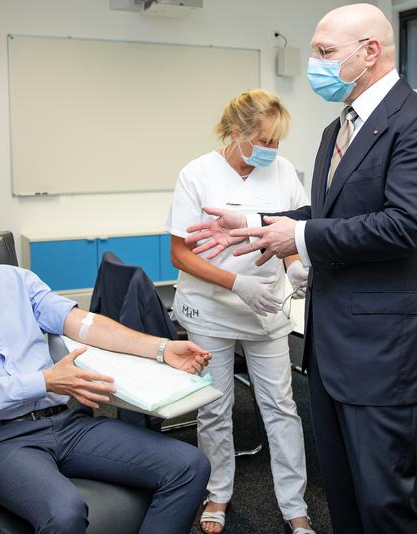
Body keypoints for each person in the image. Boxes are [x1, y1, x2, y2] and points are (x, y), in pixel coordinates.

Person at [186, 4, 417, 533]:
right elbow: (329, 214)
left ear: (370, 52)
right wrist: (254, 222)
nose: (314, 63)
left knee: (383, 503)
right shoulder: (339, 129)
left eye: (325, 53)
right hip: (334, 344)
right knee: (343, 493)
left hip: (384, 350)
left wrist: (300, 236)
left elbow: (406, 227)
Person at [0, 198, 213, 534]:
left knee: (189, 465)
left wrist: (162, 348)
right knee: (66, 512)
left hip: (66, 424)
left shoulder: (18, 281)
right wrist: (45, 381)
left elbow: (85, 323)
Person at [166, 89, 313, 534]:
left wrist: (296, 266)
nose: (272, 151)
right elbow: (179, 253)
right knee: (215, 406)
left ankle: (295, 506)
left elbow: (288, 232)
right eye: (264, 141)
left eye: (277, 143)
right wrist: (236, 283)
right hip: (212, 307)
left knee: (281, 406)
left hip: (266, 307)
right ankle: (218, 493)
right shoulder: (198, 174)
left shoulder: (284, 172)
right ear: (237, 132)